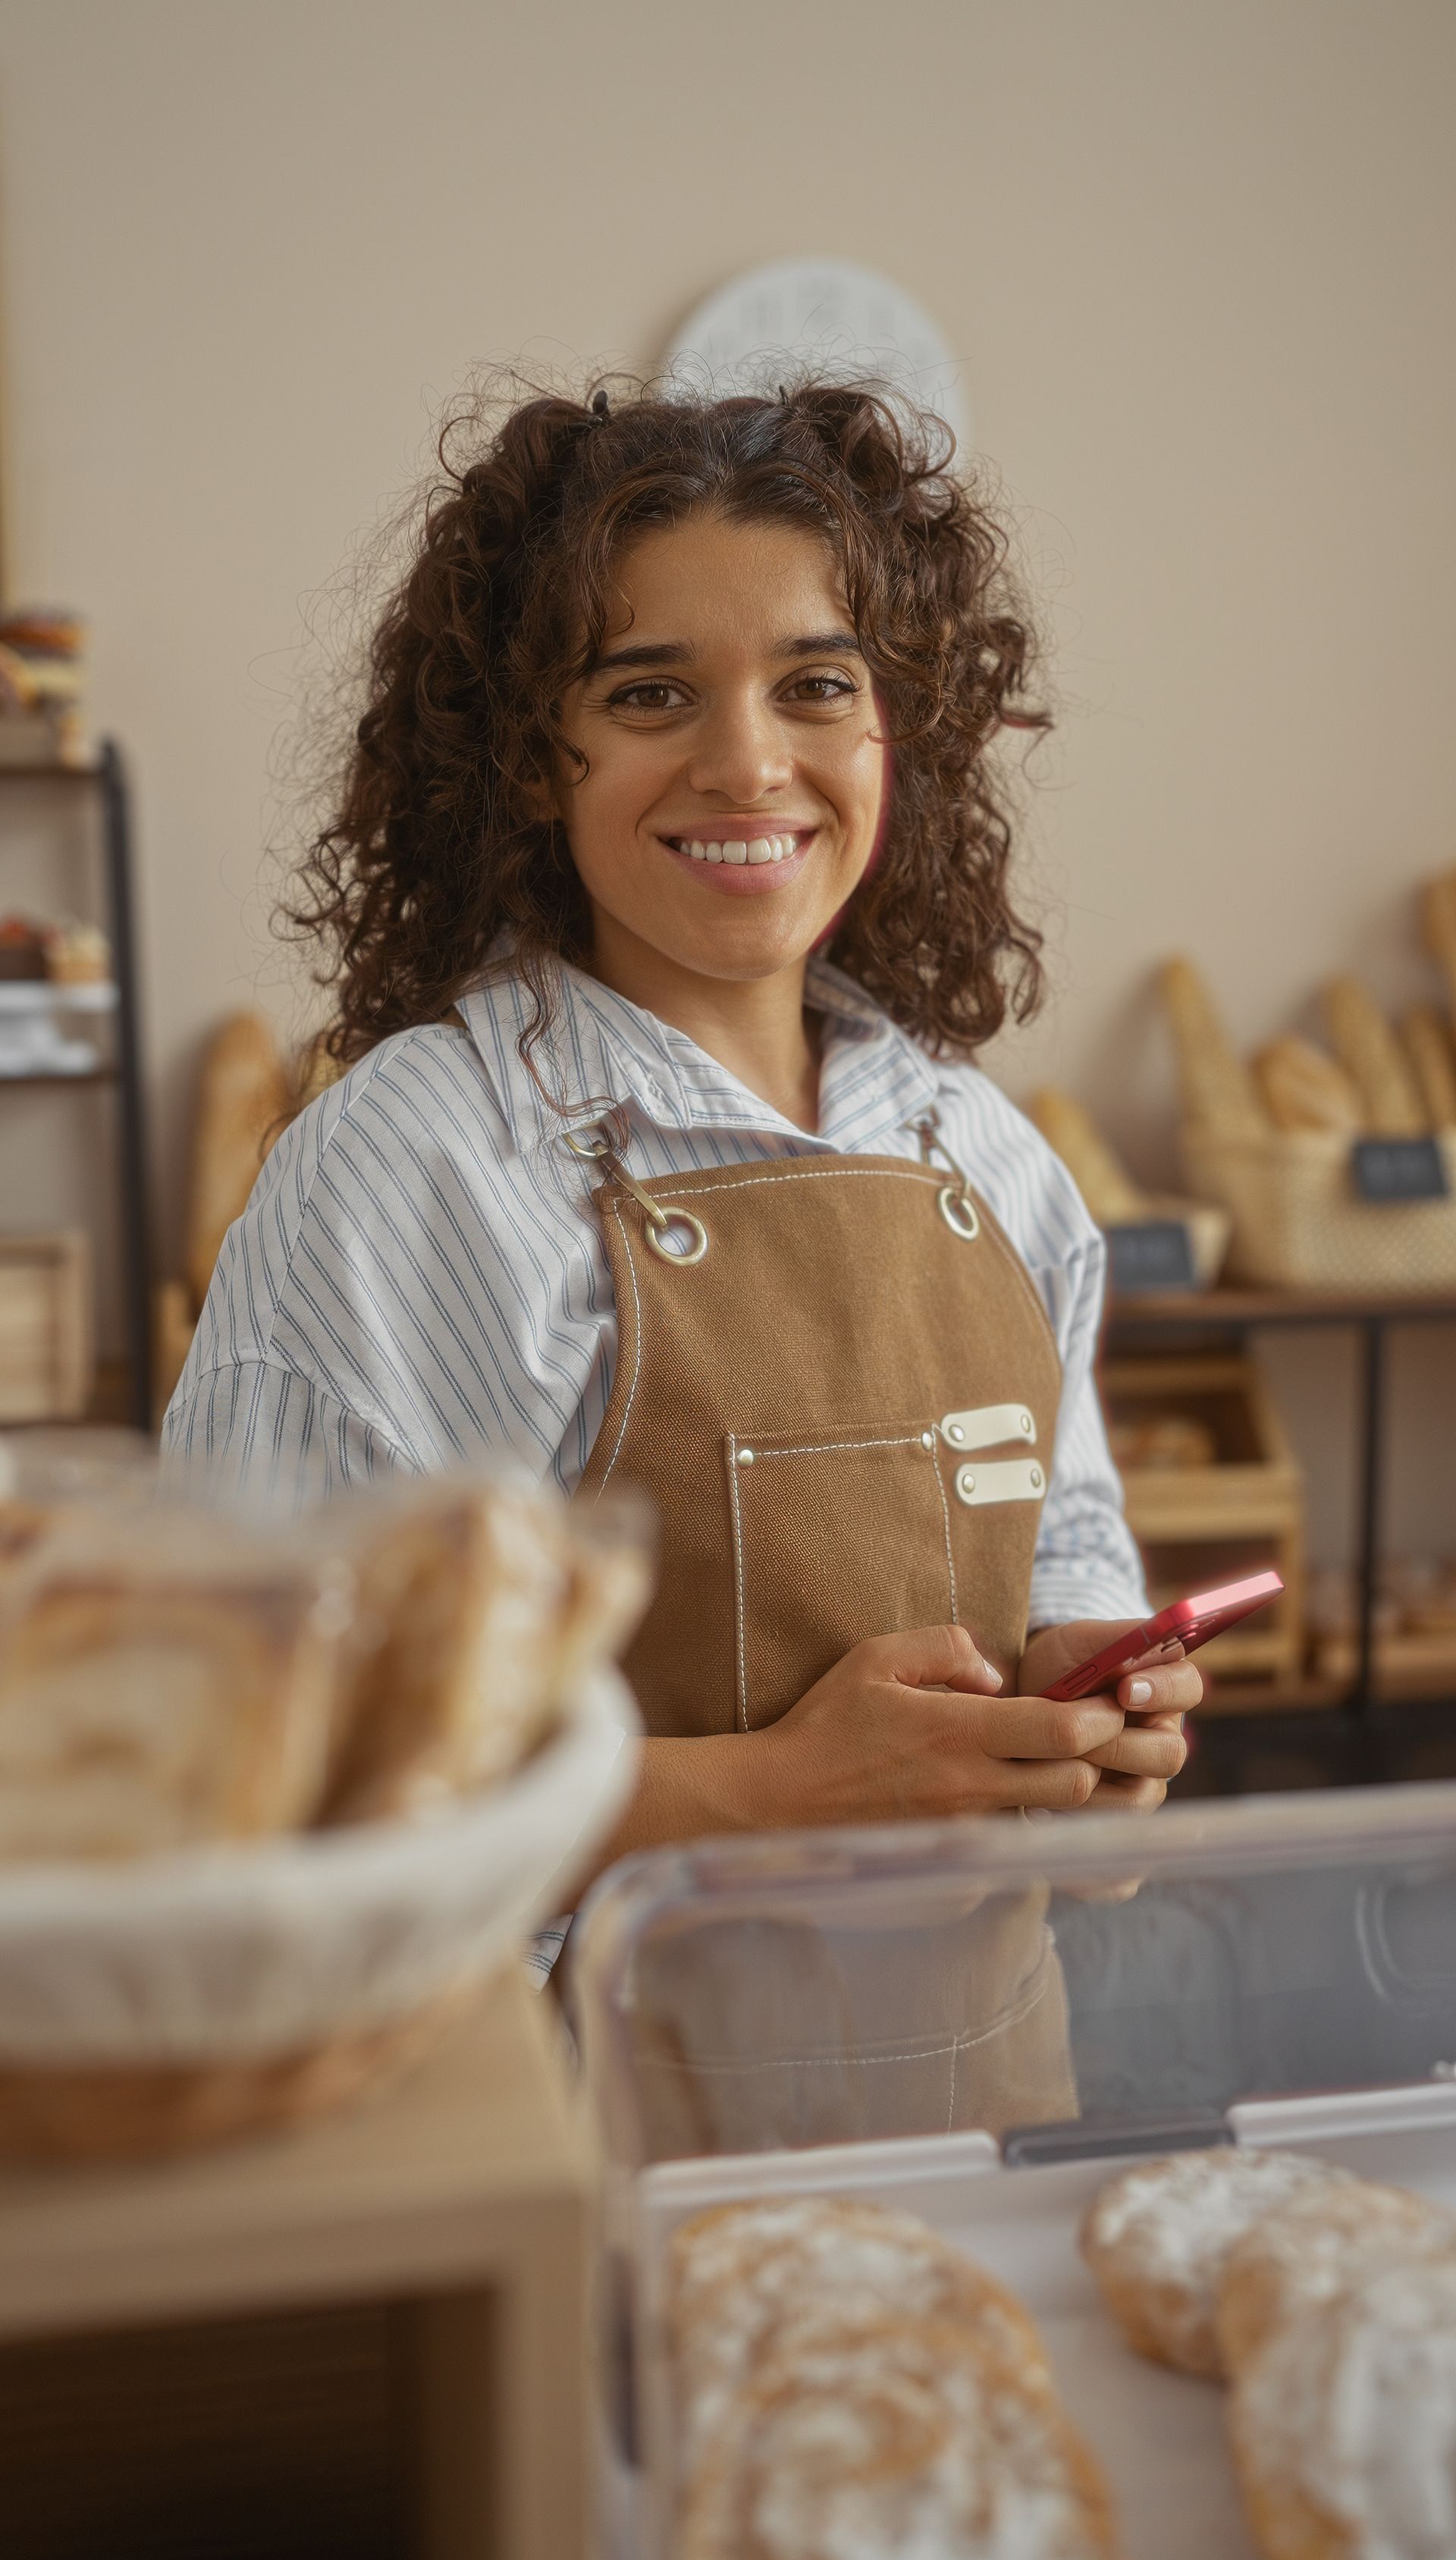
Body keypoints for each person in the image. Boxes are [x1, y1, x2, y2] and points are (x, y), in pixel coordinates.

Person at [165, 379, 1199, 2129]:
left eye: (817, 684)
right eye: (650, 693)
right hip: (566, 2169)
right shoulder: (410, 1171)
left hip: (978, 2138)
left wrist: (1098, 1717)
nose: (746, 762)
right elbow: (260, 1785)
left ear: (900, 735)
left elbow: (1071, 1544)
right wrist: (779, 1785)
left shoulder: (992, 1162)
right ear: (521, 752)